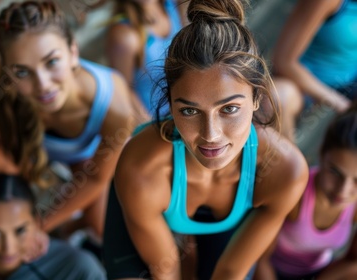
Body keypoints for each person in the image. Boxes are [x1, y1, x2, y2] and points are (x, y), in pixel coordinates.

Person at [103, 0, 309, 279]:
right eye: (189, 111)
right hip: (147, 200)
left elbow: (231, 271)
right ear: (170, 104)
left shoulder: (284, 171)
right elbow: (166, 271)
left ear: (257, 98)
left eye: (229, 109)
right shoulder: (141, 167)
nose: (210, 135)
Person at [0, 1, 134, 239]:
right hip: (25, 151)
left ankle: (72, 227)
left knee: (102, 227)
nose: (43, 85)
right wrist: (8, 219)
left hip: (87, 161)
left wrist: (36, 227)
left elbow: (95, 177)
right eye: (22, 72)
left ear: (73, 53)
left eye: (51, 62)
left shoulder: (114, 106)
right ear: (7, 72)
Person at [254, 106, 357, 280]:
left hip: (320, 273)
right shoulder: (295, 192)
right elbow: (259, 259)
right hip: (271, 271)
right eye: (335, 172)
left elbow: (352, 264)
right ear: (322, 154)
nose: (343, 190)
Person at [271, 0, 357, 140]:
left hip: (350, 81)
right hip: (304, 81)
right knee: (278, 97)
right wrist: (341, 105)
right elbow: (284, 61)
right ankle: (290, 159)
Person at [106, 0, 187, 117]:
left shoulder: (174, 6)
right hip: (158, 118)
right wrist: (150, 127)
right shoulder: (124, 34)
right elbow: (122, 90)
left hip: (188, 105)